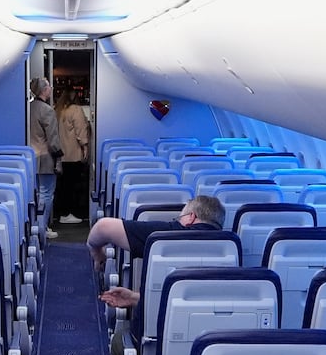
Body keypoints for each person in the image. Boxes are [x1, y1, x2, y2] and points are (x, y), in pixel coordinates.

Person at [87, 194, 227, 303]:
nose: (176, 221)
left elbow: (102, 227)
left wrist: (97, 253)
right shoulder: (229, 246)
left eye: (179, 218)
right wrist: (134, 298)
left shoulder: (167, 234)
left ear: (191, 217)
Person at [26, 77, 61, 240]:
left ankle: (36, 227)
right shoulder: (47, 110)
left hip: (31, 157)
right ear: (44, 90)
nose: (51, 88)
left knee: (36, 194)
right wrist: (59, 154)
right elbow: (53, 139)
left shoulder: (28, 108)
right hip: (45, 157)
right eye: (49, 86)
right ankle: (42, 228)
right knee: (46, 194)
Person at [54, 92, 91, 223]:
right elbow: (80, 130)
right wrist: (85, 146)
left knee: (63, 185)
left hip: (60, 155)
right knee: (72, 185)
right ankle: (69, 213)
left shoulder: (58, 110)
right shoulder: (76, 110)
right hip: (73, 154)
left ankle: (61, 212)